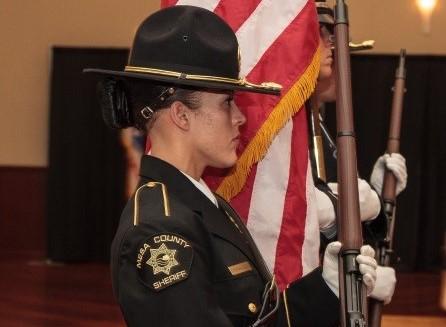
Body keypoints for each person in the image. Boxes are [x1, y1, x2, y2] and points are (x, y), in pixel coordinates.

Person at [85, 5, 378, 326]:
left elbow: (258, 318)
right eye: (227, 103)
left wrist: (326, 285)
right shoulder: (160, 231)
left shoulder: (205, 207)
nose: (240, 118)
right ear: (181, 115)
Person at [311, 1, 407, 305]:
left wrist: (378, 195)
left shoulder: (318, 124)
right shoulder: (298, 127)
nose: (344, 69)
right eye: (338, 57)